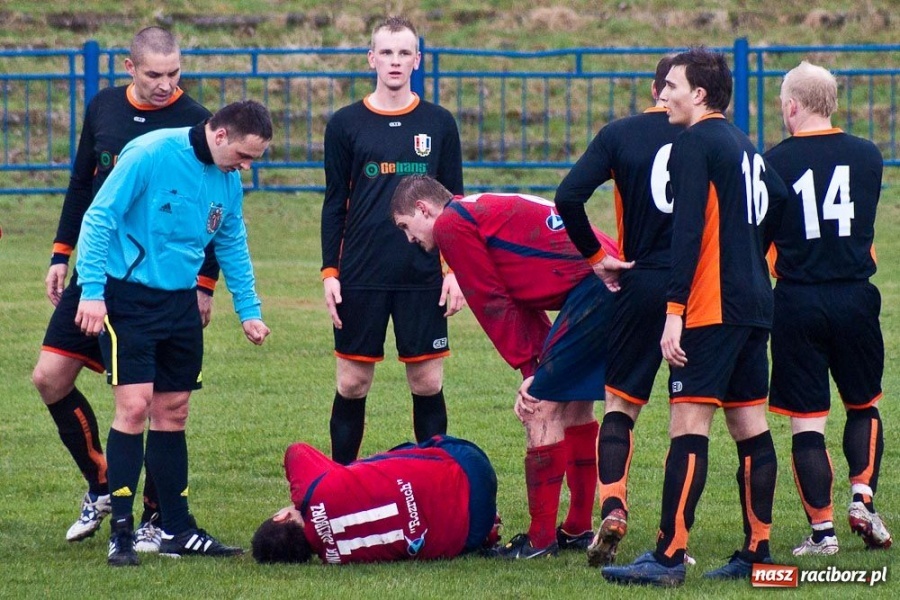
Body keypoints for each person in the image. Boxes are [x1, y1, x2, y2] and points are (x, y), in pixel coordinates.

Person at [601, 48, 788, 587]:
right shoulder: (741, 142)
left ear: (699, 94)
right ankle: (757, 552)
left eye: (672, 87)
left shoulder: (694, 142)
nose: (663, 95)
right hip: (754, 305)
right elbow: (776, 197)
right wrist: (755, 256)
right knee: (750, 427)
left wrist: (674, 311)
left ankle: (668, 557)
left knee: (689, 425)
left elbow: (685, 236)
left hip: (711, 306)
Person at [31, 26, 217, 550]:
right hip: (98, 271)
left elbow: (210, 213)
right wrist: (61, 254)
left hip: (160, 282)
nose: (166, 85)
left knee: (155, 401)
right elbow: (81, 185)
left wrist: (205, 283)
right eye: (154, 74)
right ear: (128, 66)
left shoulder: (196, 121)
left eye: (174, 73)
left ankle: (159, 517)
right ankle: (103, 484)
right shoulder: (104, 107)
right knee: (49, 378)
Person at [390, 175, 633, 559]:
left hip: (595, 285)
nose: (410, 239)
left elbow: (491, 300)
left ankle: (539, 542)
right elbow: (522, 298)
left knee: (539, 408)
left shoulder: (452, 224)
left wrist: (529, 372)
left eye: (405, 226)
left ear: (423, 209)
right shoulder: (474, 209)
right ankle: (577, 527)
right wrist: (536, 364)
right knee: (574, 407)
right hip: (608, 280)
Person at [74, 99, 273, 566]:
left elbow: (231, 240)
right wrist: (91, 290)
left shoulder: (226, 181)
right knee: (135, 405)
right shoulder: (150, 154)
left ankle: (175, 527)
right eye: (244, 156)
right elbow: (99, 217)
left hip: (180, 302)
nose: (246, 168)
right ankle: (121, 533)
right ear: (220, 135)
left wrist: (249, 310)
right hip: (128, 299)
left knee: (174, 410)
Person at [554, 56, 684, 566]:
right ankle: (674, 539)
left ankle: (612, 505)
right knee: (688, 421)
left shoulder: (620, 133)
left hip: (641, 280)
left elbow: (568, 196)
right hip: (698, 288)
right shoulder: (712, 138)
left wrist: (595, 257)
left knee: (620, 405)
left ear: (654, 87)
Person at [320, 16, 465, 466]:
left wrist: (455, 270)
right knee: (352, 384)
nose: (396, 61)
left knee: (427, 384)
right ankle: (339, 485)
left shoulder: (439, 123)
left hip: (422, 274)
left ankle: (436, 484)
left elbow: (456, 205)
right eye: (387, 52)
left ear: (417, 60)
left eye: (405, 53)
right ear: (372, 59)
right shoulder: (345, 124)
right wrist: (330, 272)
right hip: (361, 273)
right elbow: (334, 203)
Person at [764, 61, 891, 555]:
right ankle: (863, 496)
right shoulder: (868, 155)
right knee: (864, 403)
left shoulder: (772, 161)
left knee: (807, 421)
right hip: (856, 296)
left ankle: (823, 533)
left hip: (797, 299)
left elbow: (764, 237)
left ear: (792, 106)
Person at [251, 435, 499, 564]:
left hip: (472, 533)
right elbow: (296, 451)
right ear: (281, 517)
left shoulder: (336, 560)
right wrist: (302, 500)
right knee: (402, 452)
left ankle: (490, 528)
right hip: (471, 468)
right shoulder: (312, 493)